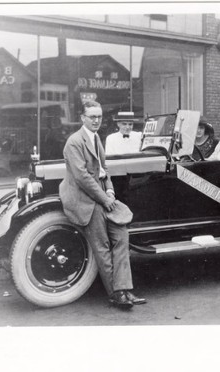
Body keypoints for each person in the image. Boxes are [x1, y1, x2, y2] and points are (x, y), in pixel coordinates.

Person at [59, 100, 146, 309]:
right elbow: (83, 178)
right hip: (83, 200)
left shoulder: (96, 138)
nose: (96, 120)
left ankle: (125, 289)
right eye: (92, 117)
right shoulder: (74, 142)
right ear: (83, 118)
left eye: (99, 116)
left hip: (98, 195)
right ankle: (116, 294)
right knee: (102, 245)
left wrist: (110, 191)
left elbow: (103, 170)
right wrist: (106, 199)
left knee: (121, 235)